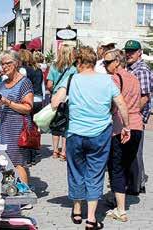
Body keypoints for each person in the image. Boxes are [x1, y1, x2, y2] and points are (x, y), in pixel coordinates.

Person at [51, 46, 130, 229]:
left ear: (78, 62)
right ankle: (92, 218)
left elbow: (55, 102)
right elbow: (121, 104)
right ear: (94, 62)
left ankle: (77, 211)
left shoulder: (72, 79)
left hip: (75, 134)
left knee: (76, 171)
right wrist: (126, 126)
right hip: (100, 134)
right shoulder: (107, 80)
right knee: (95, 173)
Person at [104, 49, 143, 222]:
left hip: (121, 127)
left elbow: (113, 104)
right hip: (137, 126)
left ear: (117, 62)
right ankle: (117, 198)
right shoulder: (134, 78)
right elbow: (141, 100)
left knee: (116, 167)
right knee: (125, 165)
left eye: (108, 62)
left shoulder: (114, 78)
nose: (105, 65)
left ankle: (120, 210)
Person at [0, 50, 34, 184]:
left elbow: (28, 108)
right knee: (8, 159)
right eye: (2, 64)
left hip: (18, 127)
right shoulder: (3, 83)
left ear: (15, 63)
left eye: (7, 63)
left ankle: (24, 197)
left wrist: (7, 102)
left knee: (17, 162)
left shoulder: (24, 82)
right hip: (5, 126)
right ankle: (14, 190)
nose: (4, 67)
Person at [124, 40, 153, 195]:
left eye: (132, 51)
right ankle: (134, 181)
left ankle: (136, 185)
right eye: (127, 51)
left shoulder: (141, 70)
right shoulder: (129, 69)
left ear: (139, 52)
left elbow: (144, 97)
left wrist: (132, 115)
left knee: (135, 152)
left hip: (137, 116)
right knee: (131, 151)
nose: (128, 54)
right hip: (130, 115)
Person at [47, 44, 77, 161]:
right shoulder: (74, 69)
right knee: (66, 125)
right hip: (69, 98)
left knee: (56, 123)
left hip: (56, 97)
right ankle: (63, 152)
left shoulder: (54, 66)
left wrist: (54, 90)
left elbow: (49, 84)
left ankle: (55, 150)